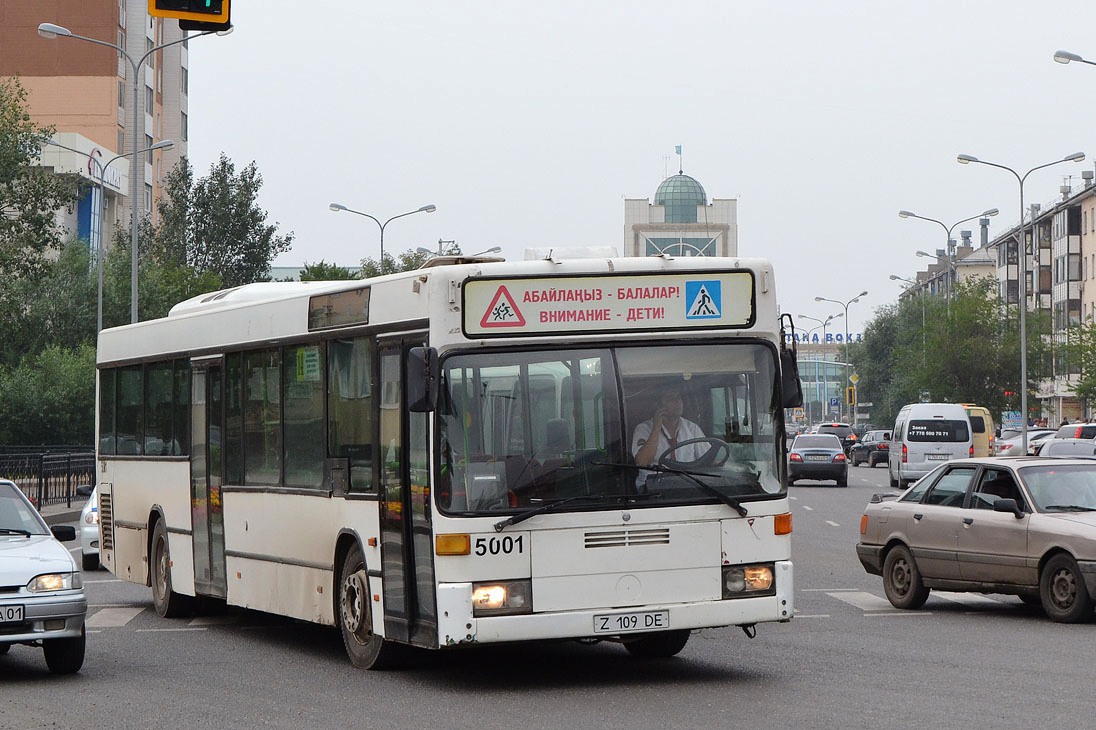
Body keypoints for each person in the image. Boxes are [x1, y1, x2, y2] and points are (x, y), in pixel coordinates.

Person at [631, 388, 707, 471]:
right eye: (671, 398)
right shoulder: (643, 428)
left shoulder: (692, 428)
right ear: (659, 405)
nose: (677, 401)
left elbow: (708, 458)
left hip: (686, 481)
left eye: (679, 397)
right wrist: (656, 427)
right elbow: (642, 462)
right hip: (653, 482)